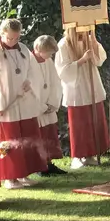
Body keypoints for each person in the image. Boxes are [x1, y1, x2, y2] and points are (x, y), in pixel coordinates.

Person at [0, 18, 47, 189]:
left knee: (26, 137)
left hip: (24, 100)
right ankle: (10, 177)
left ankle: (24, 173)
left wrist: (29, 82)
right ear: (2, 34)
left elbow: (33, 71)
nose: (13, 41)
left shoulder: (24, 49)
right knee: (10, 139)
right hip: (7, 103)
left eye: (16, 38)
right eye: (10, 38)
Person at [56, 26, 109, 169]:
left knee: (94, 120)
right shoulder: (64, 44)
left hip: (92, 86)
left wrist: (94, 47)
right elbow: (62, 70)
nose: (82, 33)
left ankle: (92, 153)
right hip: (77, 88)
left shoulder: (90, 40)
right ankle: (79, 156)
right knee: (80, 124)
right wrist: (81, 60)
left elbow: (99, 61)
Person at [31, 35, 66, 176]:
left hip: (48, 105)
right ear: (38, 49)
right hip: (37, 107)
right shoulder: (29, 61)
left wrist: (52, 102)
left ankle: (49, 162)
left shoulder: (48, 61)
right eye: (49, 52)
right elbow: (31, 88)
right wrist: (41, 106)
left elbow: (55, 81)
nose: (50, 55)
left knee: (49, 135)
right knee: (39, 136)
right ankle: (40, 165)